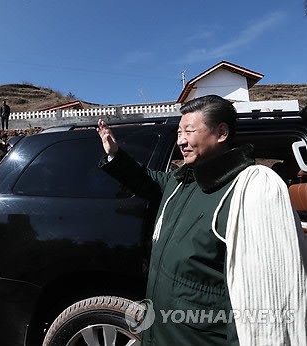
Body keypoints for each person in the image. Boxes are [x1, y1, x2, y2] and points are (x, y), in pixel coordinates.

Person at [96, 95, 307, 345]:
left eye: (189, 131)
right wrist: (115, 155)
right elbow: (147, 180)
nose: (181, 140)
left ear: (221, 132)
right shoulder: (181, 181)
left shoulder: (247, 192)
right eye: (178, 132)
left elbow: (261, 299)